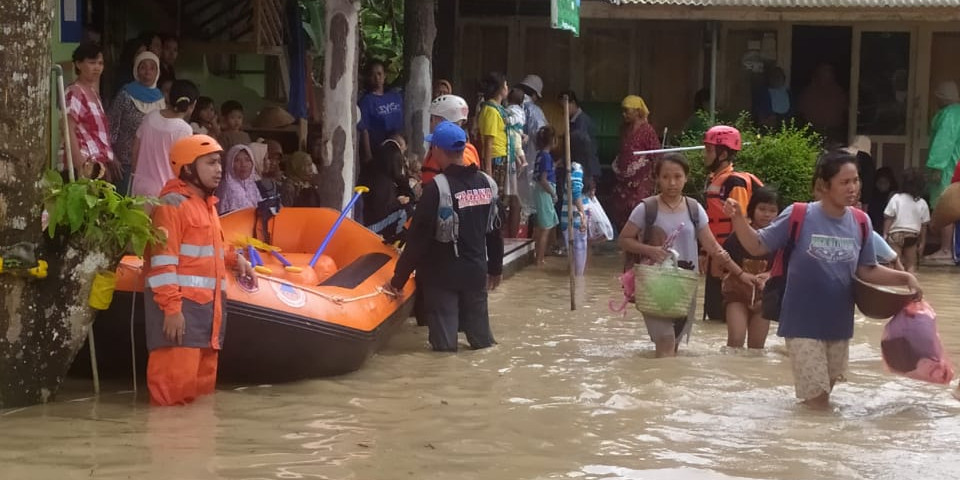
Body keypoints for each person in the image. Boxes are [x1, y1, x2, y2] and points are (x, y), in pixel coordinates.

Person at [723, 151, 921, 409]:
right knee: (817, 400)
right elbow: (757, 244)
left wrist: (905, 278)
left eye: (856, 181)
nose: (853, 188)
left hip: (838, 325)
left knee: (822, 399)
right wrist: (738, 218)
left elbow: (867, 270)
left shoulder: (861, 221)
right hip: (801, 323)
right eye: (845, 182)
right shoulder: (799, 214)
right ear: (824, 186)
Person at [143, 134, 255, 406]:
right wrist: (171, 310)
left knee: (201, 403)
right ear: (188, 168)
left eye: (219, 163)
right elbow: (162, 262)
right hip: (181, 315)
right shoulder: (171, 205)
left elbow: (209, 249)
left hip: (209, 317)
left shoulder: (207, 205)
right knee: (172, 401)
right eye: (211, 163)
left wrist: (235, 259)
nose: (219, 169)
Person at [384, 121, 504, 352]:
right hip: (476, 274)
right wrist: (496, 267)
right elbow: (495, 231)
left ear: (438, 150)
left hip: (442, 279)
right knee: (482, 344)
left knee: (445, 349)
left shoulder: (436, 188)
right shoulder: (487, 184)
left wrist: (398, 279)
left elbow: (417, 240)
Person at [617, 153, 740, 357]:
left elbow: (713, 247)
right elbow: (624, 240)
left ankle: (662, 385)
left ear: (686, 178)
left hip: (684, 287)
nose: (671, 183)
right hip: (653, 284)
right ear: (657, 178)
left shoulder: (695, 209)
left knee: (673, 345)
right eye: (665, 177)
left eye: (677, 176)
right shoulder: (646, 208)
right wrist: (651, 251)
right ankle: (657, 385)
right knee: (665, 340)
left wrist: (741, 274)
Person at [701, 125, 763, 322]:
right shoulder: (715, 180)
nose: (705, 154)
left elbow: (740, 224)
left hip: (729, 258)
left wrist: (728, 263)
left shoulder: (734, 183)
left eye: (709, 150)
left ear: (723, 154)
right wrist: (705, 253)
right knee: (714, 314)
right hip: (716, 254)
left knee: (723, 314)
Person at [722, 187, 779, 349]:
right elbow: (723, 258)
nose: (767, 214)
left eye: (772, 210)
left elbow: (785, 264)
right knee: (736, 340)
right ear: (752, 209)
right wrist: (741, 274)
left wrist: (769, 274)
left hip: (764, 297)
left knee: (757, 347)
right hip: (737, 294)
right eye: (762, 209)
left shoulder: (779, 239)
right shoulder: (739, 234)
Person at [108, 51, 165, 194]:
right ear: (136, 70)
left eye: (152, 68)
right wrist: (112, 157)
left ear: (158, 72)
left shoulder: (160, 99)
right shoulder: (125, 95)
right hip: (124, 164)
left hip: (151, 164)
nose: (147, 72)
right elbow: (111, 126)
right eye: (143, 67)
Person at [62, 42, 120, 183]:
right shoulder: (75, 91)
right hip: (84, 164)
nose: (97, 68)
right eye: (92, 62)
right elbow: (67, 128)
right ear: (78, 64)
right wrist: (80, 165)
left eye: (100, 63)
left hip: (98, 165)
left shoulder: (93, 93)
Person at [130, 80, 198, 198]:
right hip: (167, 192)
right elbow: (185, 168)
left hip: (141, 187)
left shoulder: (150, 117)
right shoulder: (184, 129)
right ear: (193, 105)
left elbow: (135, 152)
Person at [611, 95, 660, 229]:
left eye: (627, 111)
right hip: (623, 182)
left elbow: (655, 154)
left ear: (637, 111)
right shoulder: (624, 129)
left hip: (640, 183)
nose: (624, 114)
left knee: (638, 211)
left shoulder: (648, 131)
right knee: (620, 210)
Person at [925, 81, 960, 262]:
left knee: (945, 205)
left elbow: (943, 143)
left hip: (949, 167)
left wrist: (936, 167)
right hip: (957, 165)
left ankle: (945, 250)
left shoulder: (949, 115)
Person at [363, 139, 416, 244]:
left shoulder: (378, 174)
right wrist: (398, 202)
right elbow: (381, 209)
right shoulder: (381, 180)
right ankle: (396, 245)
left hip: (376, 220)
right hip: (372, 227)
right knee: (406, 211)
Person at [421, 95, 480, 184]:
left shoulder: (440, 149)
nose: (430, 123)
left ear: (440, 120)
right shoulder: (471, 149)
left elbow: (431, 183)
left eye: (432, 119)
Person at [358, 59, 404, 166]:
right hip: (380, 152)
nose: (376, 78)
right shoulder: (366, 101)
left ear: (385, 76)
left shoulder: (395, 96)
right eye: (372, 75)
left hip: (400, 148)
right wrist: (368, 156)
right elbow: (364, 130)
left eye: (379, 74)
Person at [883, 169, 930, 273]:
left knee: (894, 262)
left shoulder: (896, 198)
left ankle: (892, 285)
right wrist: (922, 242)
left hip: (895, 234)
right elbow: (924, 226)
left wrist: (885, 234)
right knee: (911, 264)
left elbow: (889, 217)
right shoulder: (922, 203)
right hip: (912, 235)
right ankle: (911, 283)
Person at [559, 90, 601, 193]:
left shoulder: (582, 122)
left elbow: (586, 150)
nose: (563, 110)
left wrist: (590, 176)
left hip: (584, 169)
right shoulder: (572, 121)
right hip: (578, 167)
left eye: (564, 106)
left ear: (572, 103)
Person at [797, 63, 848, 143]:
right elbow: (801, 114)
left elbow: (845, 111)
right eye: (823, 74)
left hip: (834, 134)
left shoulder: (839, 92)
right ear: (817, 75)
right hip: (813, 133)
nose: (827, 77)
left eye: (829, 73)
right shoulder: (808, 93)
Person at [532, 126, 559, 265]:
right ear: (552, 140)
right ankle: (540, 259)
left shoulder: (540, 155)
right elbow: (543, 180)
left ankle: (540, 255)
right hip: (545, 191)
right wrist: (553, 194)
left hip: (540, 191)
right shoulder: (546, 157)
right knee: (545, 228)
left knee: (543, 225)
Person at [216, 144, 262, 215]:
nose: (243, 164)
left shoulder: (252, 186)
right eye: (237, 160)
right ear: (230, 163)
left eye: (247, 160)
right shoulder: (227, 187)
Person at [868, 167, 898, 232]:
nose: (882, 185)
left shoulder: (895, 197)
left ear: (890, 182)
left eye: (885, 182)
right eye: (880, 182)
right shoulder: (872, 196)